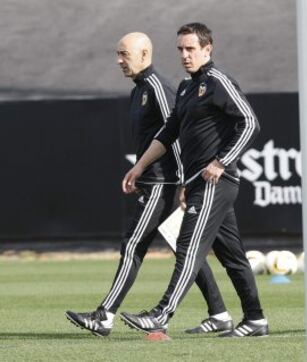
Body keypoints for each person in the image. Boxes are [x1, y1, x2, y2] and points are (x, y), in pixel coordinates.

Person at [65, 32, 233, 337]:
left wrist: (184, 182)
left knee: (132, 245)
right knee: (184, 251)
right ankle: (219, 313)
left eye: (124, 55)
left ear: (145, 54)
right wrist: (137, 170)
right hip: (152, 180)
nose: (119, 61)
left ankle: (104, 317)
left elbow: (177, 134)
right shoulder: (138, 90)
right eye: (117, 54)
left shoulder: (158, 88)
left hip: (163, 183)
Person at [120, 23, 268, 338]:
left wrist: (221, 161)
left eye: (191, 49)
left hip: (218, 180)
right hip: (199, 182)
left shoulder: (217, 81)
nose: (185, 55)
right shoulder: (187, 88)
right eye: (180, 49)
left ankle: (161, 314)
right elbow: (168, 132)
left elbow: (250, 122)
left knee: (188, 245)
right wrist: (140, 167)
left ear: (207, 49)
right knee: (232, 256)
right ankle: (255, 319)